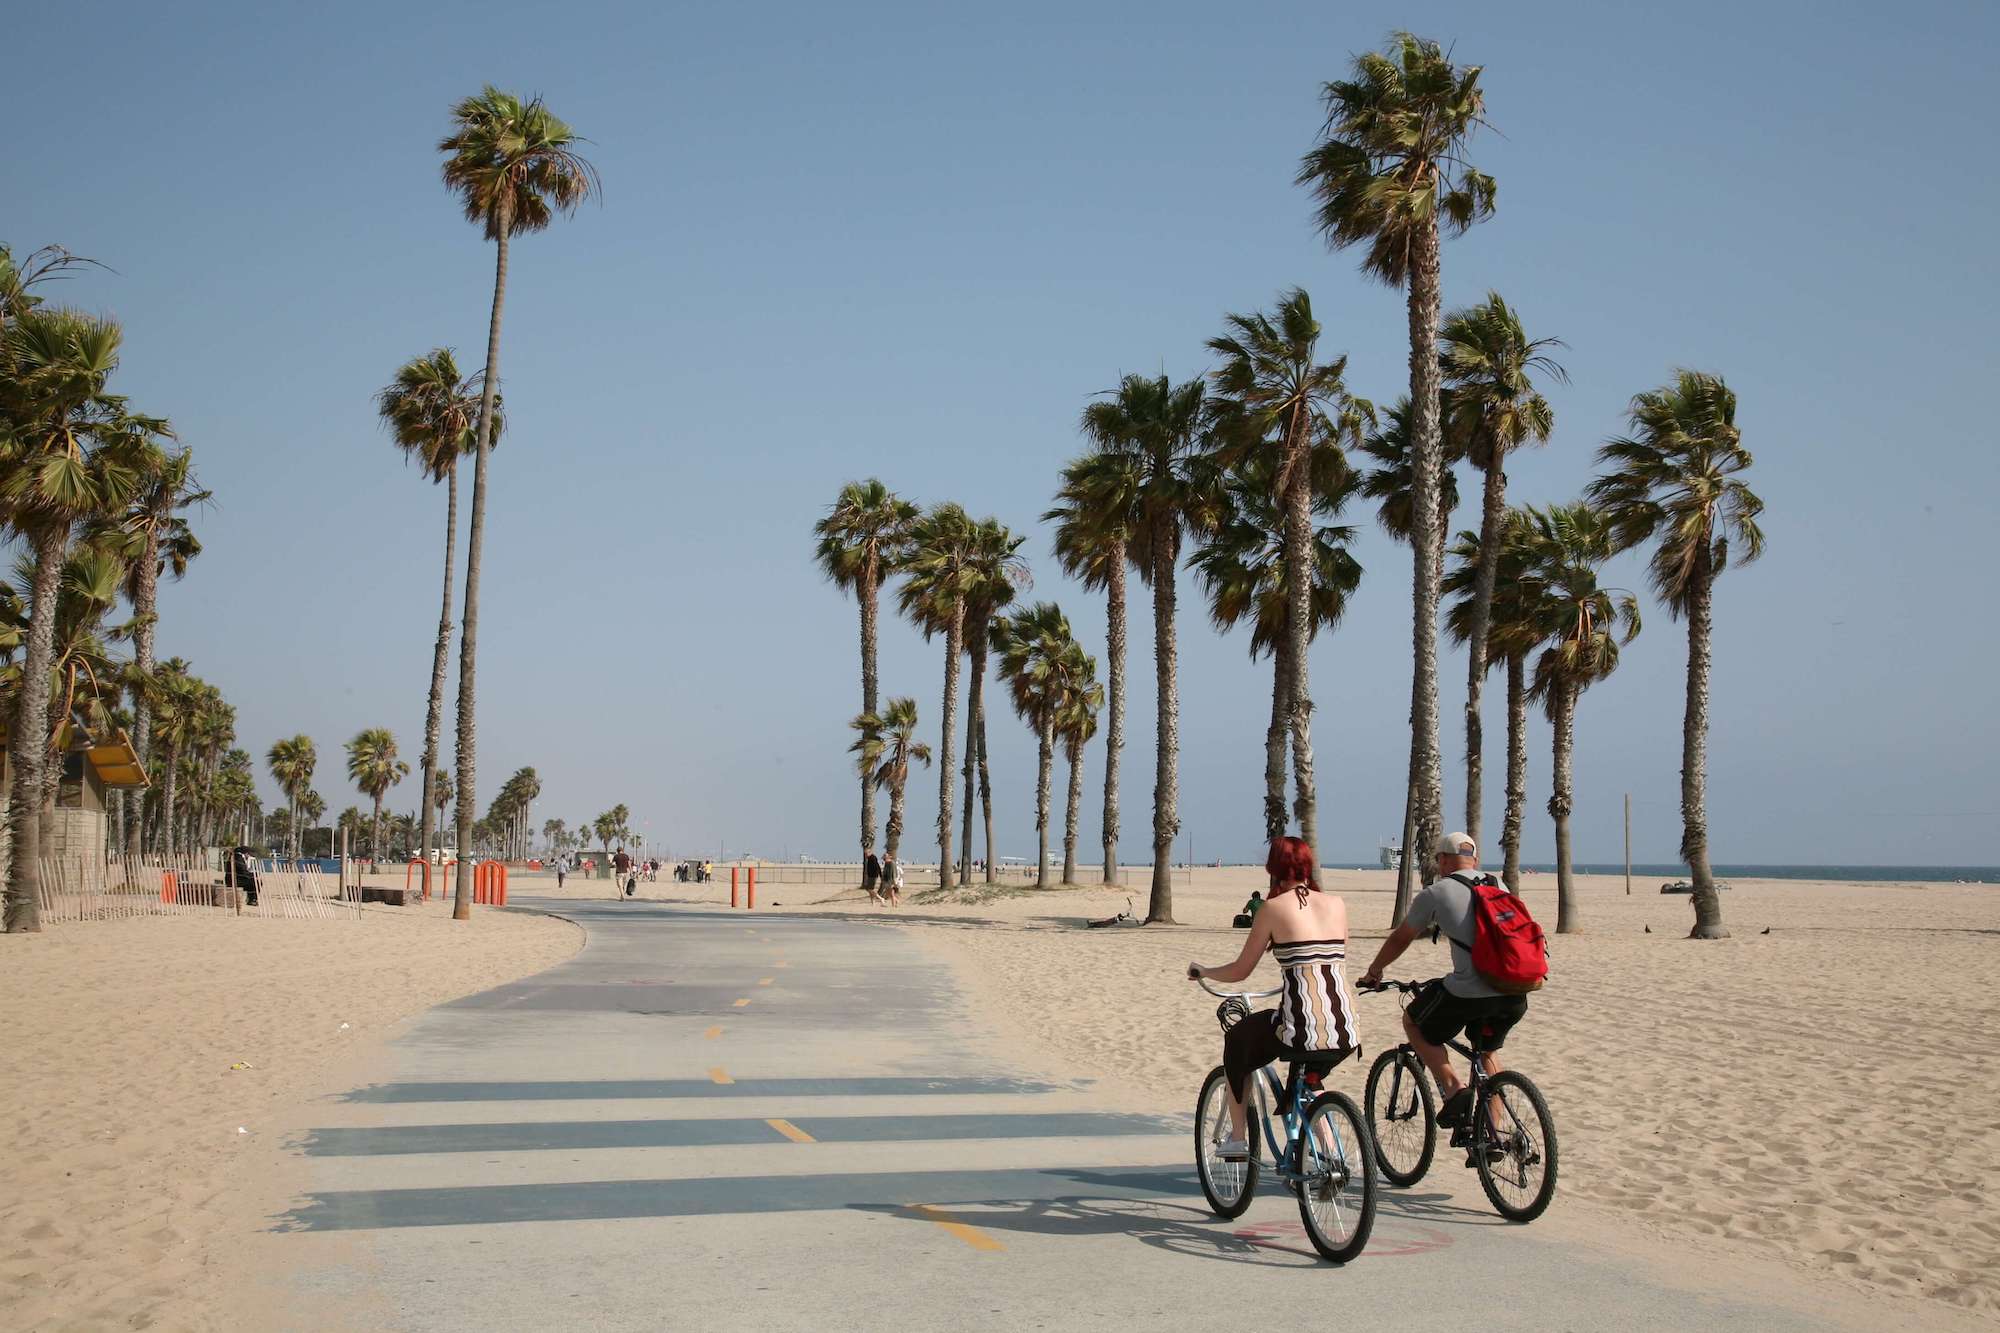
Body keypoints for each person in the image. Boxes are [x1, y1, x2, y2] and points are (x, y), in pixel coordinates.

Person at [1186, 837, 1358, 1160]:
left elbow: (1241, 970)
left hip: (1302, 1024)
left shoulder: (1272, 909)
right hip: (1345, 1026)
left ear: (1274, 868)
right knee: (1310, 1077)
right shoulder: (1336, 903)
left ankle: (1237, 1139)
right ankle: (1331, 1153)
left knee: (1238, 1041)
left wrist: (1205, 971)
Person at [1360, 831, 1528, 1135]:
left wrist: (1375, 969)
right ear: (1474, 860)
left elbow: (1402, 937)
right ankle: (1494, 1134)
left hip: (1469, 992)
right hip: (1514, 989)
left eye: (1439, 859)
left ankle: (1453, 1088)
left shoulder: (1436, 893)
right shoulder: (1498, 884)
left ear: (1444, 860)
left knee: (1413, 1021)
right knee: (1487, 1053)